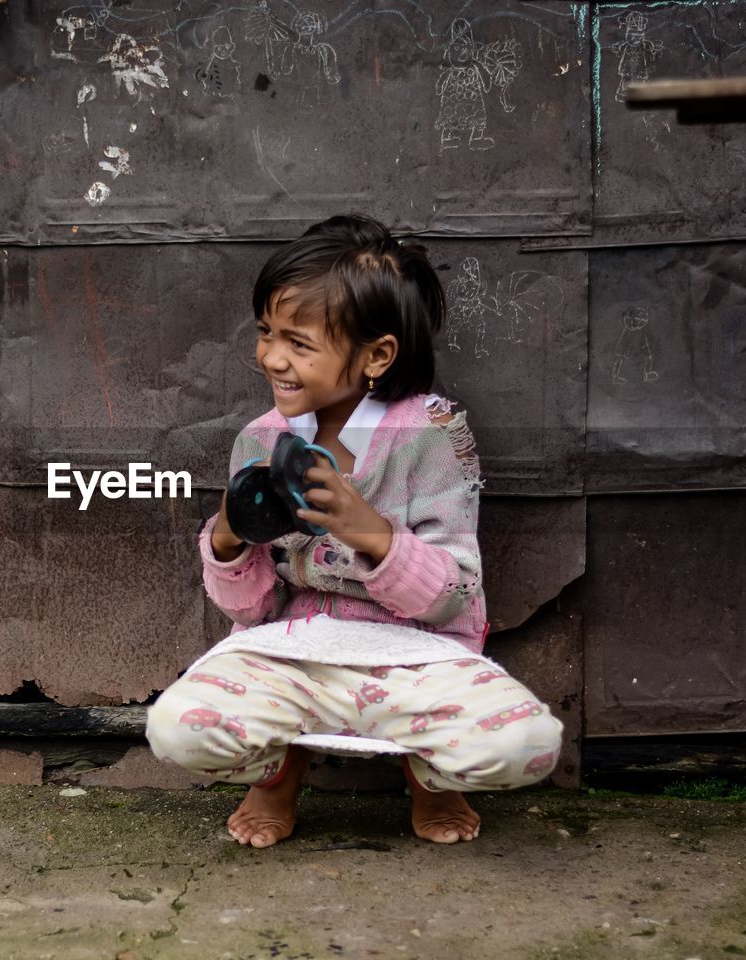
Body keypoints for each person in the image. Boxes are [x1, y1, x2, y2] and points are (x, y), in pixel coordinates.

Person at [145, 214, 564, 847]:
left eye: (299, 342)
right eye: (266, 333)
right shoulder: (261, 441)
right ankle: (277, 774)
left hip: (412, 659)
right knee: (176, 730)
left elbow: (455, 594)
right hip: (293, 658)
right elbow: (252, 607)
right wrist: (230, 541)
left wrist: (373, 534)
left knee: (524, 745)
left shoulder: (436, 436)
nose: (271, 357)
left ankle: (430, 777)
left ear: (377, 355)